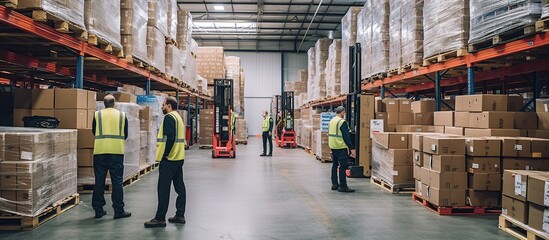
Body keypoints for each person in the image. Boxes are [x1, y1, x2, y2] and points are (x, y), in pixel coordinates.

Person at [145, 97, 187, 228]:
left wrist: (165, 155)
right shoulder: (178, 117)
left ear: (169, 106)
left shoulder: (169, 117)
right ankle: (180, 215)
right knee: (180, 187)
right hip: (178, 158)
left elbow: (170, 138)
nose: (162, 107)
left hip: (169, 159)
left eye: (163, 105)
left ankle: (160, 218)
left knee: (163, 189)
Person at [91, 95, 132, 219]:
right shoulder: (122, 115)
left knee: (99, 181)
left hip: (100, 152)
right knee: (117, 182)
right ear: (114, 103)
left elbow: (94, 131)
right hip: (116, 152)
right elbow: (125, 134)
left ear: (104, 104)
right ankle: (118, 211)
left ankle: (98, 210)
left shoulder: (97, 115)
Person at [328, 106, 356, 193]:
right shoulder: (342, 122)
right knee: (343, 166)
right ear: (342, 112)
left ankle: (334, 184)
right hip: (340, 146)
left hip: (333, 145)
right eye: (344, 113)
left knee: (334, 165)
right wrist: (351, 148)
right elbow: (346, 137)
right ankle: (343, 186)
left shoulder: (332, 120)